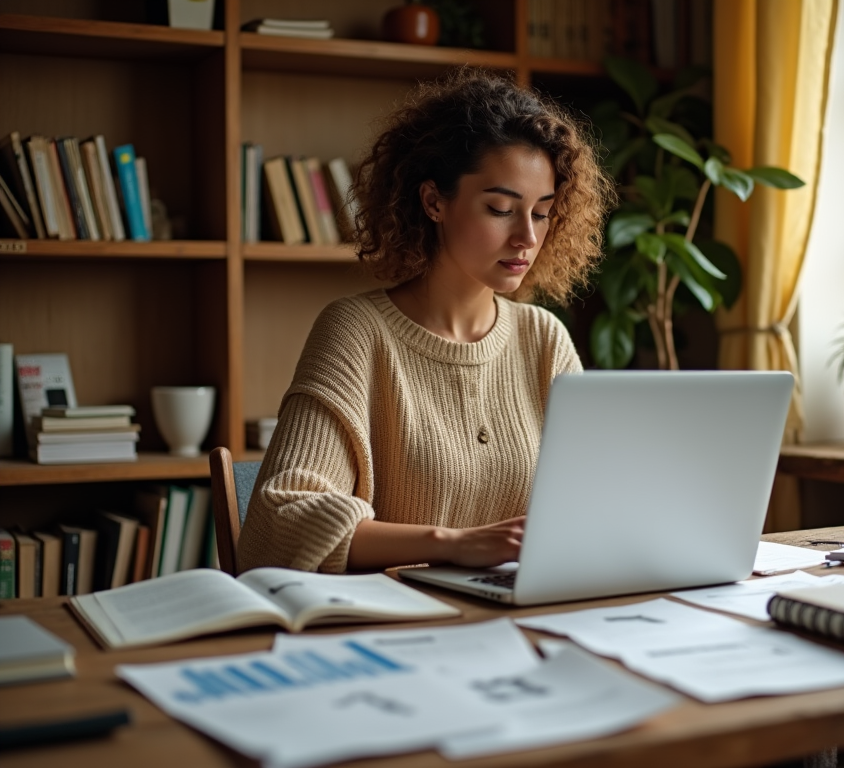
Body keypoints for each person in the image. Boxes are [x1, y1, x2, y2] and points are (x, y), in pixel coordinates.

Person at [236, 70, 612, 574]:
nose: (526, 236)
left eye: (542, 213)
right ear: (434, 201)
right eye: (501, 208)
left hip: (522, 618)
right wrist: (451, 543)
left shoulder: (544, 338)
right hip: (398, 628)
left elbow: (592, 506)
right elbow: (281, 519)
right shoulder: (357, 331)